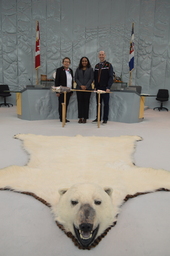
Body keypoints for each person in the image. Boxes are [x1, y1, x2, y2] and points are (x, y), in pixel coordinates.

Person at [93, 51, 114, 124]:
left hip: (105, 88)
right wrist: (95, 87)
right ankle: (98, 117)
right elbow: (95, 77)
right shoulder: (96, 66)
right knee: (98, 104)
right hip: (98, 88)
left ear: (105, 55)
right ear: (98, 56)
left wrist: (108, 87)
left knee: (106, 104)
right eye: (100, 55)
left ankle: (105, 119)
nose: (101, 56)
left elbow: (111, 77)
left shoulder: (108, 65)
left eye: (102, 55)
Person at [75, 57, 94, 123]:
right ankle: (80, 117)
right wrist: (81, 86)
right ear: (81, 62)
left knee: (86, 103)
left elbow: (91, 79)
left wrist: (86, 86)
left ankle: (85, 118)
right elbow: (76, 78)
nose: (84, 62)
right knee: (80, 103)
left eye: (85, 61)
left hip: (87, 89)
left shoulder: (90, 69)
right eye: (83, 61)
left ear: (87, 62)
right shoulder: (78, 69)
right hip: (79, 89)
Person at [55, 57, 73, 122]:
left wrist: (71, 91)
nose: (66, 63)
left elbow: (71, 81)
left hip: (68, 91)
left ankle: (64, 117)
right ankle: (61, 118)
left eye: (68, 62)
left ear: (69, 63)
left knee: (66, 104)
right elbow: (56, 81)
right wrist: (57, 91)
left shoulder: (70, 70)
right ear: (63, 63)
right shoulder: (59, 70)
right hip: (61, 90)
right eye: (65, 61)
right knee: (61, 104)